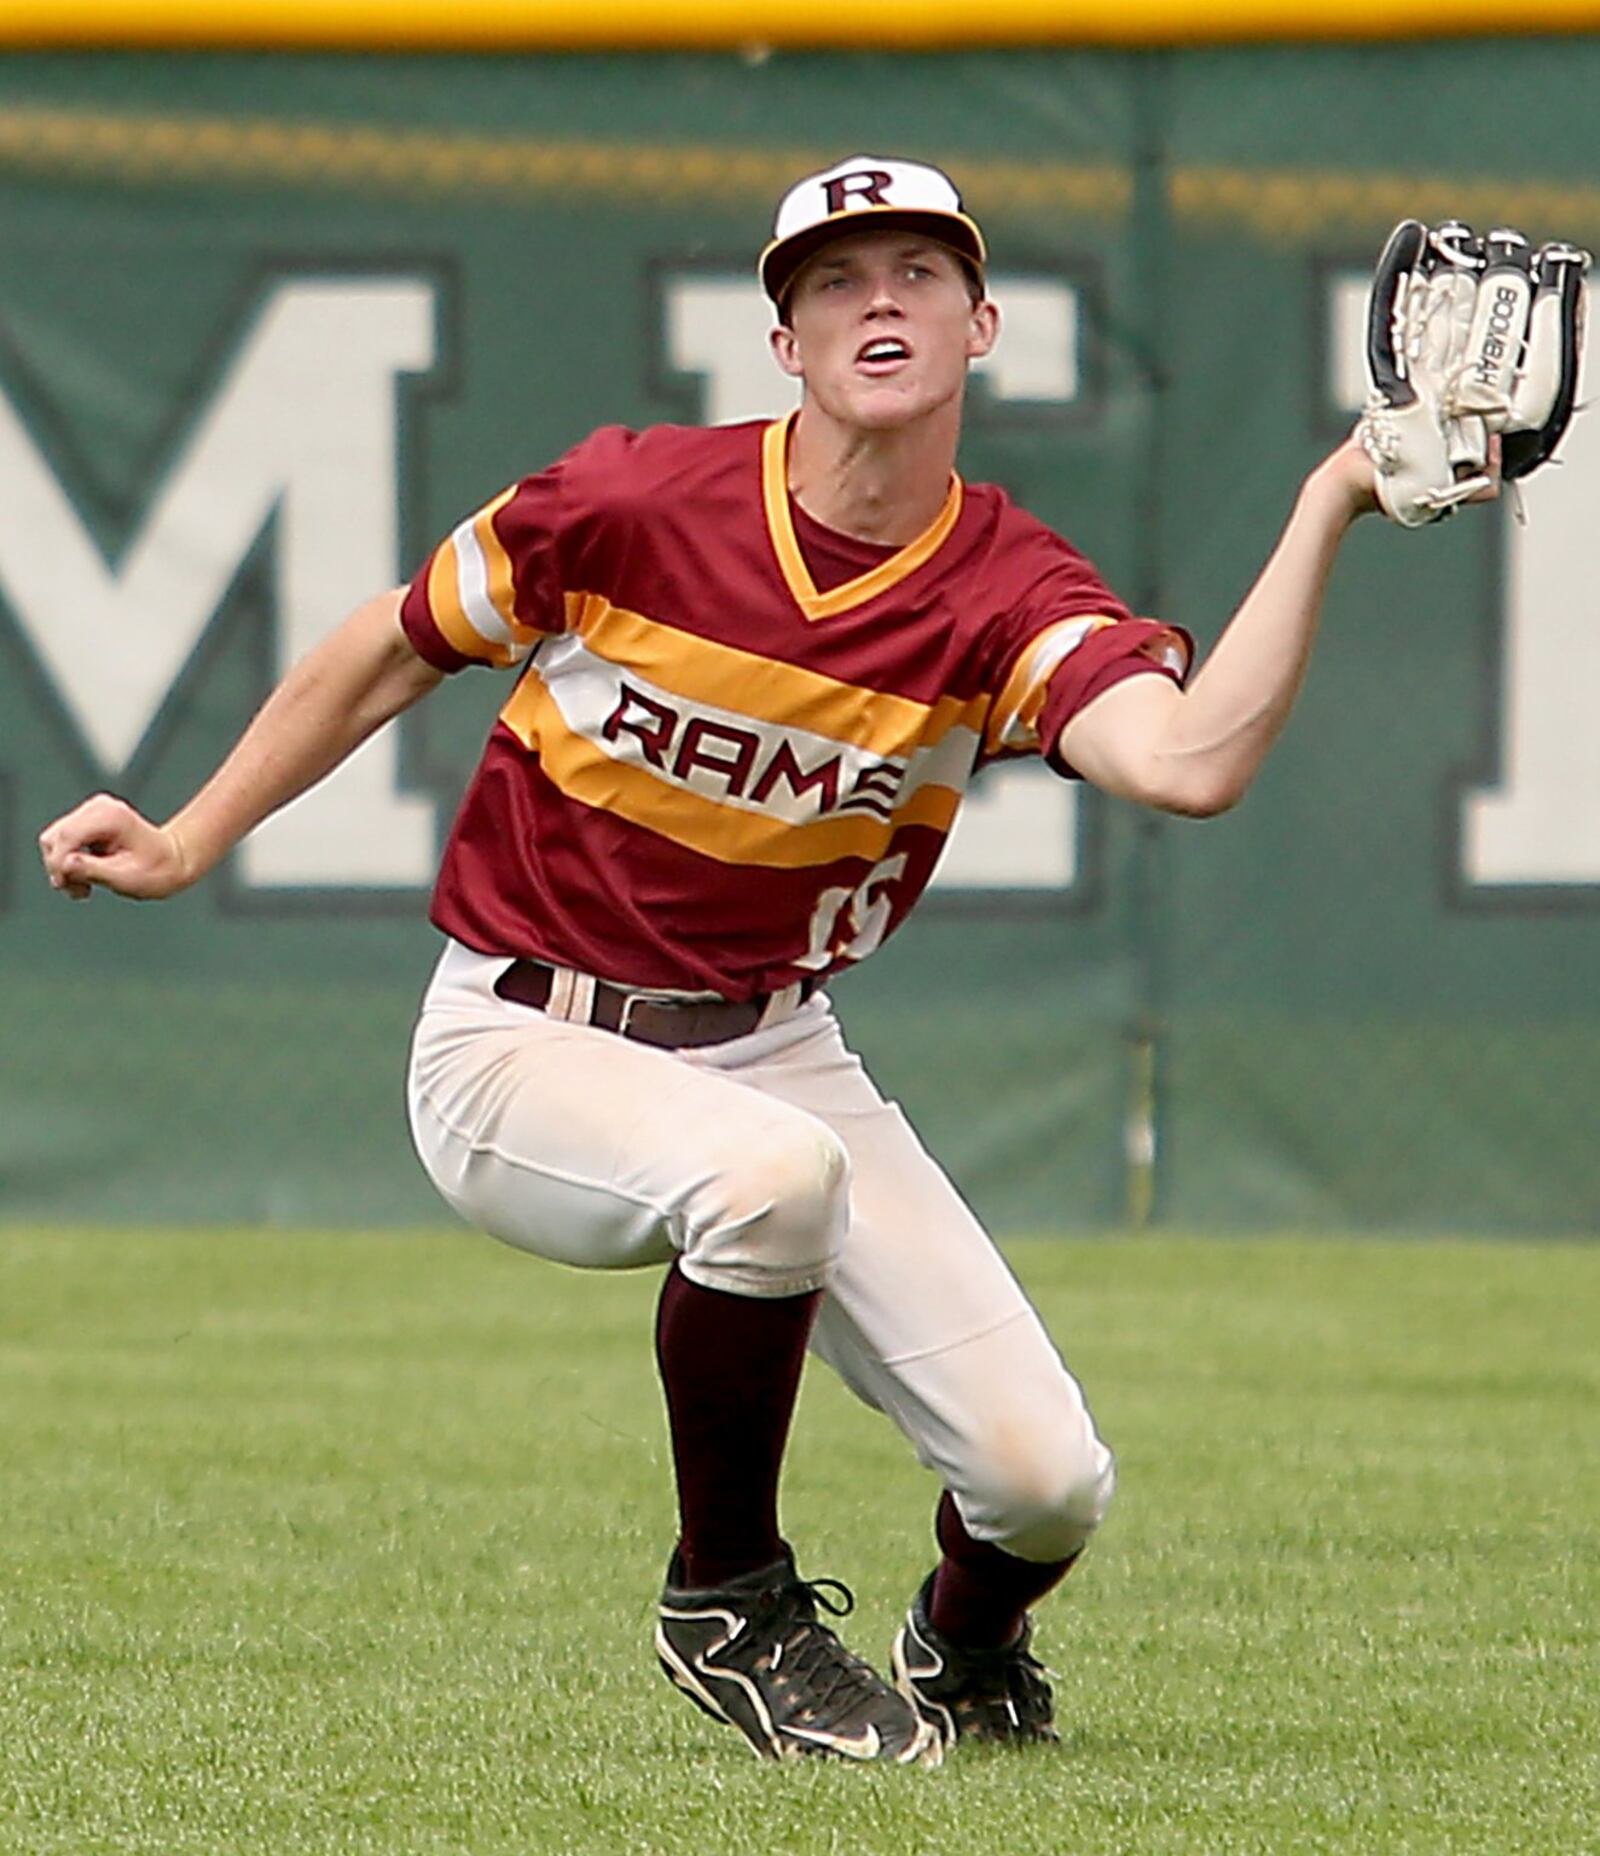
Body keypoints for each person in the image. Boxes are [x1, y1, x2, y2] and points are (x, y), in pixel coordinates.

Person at [40, 154, 1396, 1769]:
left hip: (769, 1041)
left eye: (916, 272)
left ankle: (963, 1651)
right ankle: (728, 1600)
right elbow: (388, 647)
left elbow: (1188, 764)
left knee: (1045, 1484)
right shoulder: (630, 503)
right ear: (784, 343)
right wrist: (191, 837)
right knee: (770, 1180)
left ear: (983, 328)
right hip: (517, 1039)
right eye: (834, 278)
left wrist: (1334, 498)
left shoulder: (1000, 589)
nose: (876, 299)